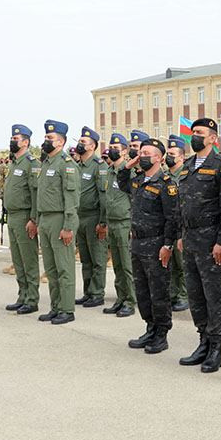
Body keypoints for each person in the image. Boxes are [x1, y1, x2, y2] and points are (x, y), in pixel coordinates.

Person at [176, 117, 221, 373]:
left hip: (212, 242)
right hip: (190, 240)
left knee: (214, 296)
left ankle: (216, 348)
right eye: (193, 132)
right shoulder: (188, 165)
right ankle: (203, 340)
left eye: (200, 132)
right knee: (195, 295)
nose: (195, 136)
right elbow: (182, 204)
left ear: (213, 138)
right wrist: (180, 235)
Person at [119, 138, 180, 354]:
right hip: (137, 242)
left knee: (158, 291)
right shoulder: (137, 180)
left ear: (160, 158)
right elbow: (121, 182)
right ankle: (150, 327)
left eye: (147, 153)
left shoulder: (166, 184)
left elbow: (172, 218)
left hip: (156, 244)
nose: (142, 156)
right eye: (140, 153)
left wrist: (168, 245)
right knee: (142, 291)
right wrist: (128, 164)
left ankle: (161, 334)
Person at [36, 120, 80, 325]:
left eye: (50, 138)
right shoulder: (46, 163)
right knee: (51, 268)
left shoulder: (67, 164)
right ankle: (55, 307)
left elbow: (71, 198)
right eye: (45, 137)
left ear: (60, 142)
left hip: (60, 219)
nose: (46, 141)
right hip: (45, 219)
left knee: (64, 267)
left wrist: (68, 226)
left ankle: (67, 309)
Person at [3, 125, 41, 315]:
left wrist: (34, 219)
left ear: (25, 142)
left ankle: (32, 299)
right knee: (17, 260)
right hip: (12, 216)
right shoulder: (14, 163)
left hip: (25, 216)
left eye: (16, 138)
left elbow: (36, 193)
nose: (12, 141)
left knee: (29, 260)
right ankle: (22, 295)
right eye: (12, 137)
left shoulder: (31, 163)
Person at [100, 133, 136, 318]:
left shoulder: (128, 171)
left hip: (124, 222)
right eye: (111, 148)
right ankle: (120, 298)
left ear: (125, 151)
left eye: (117, 148)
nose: (113, 151)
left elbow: (134, 198)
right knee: (116, 265)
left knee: (126, 264)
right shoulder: (108, 171)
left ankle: (130, 300)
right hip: (112, 222)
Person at [74, 126, 109, 309]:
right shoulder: (76, 166)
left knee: (97, 258)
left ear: (92, 146)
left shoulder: (99, 167)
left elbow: (103, 196)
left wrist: (103, 222)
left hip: (94, 217)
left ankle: (97, 293)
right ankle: (88, 292)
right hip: (79, 217)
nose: (80, 144)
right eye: (79, 141)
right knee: (85, 258)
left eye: (83, 142)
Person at [165, 134, 189, 313]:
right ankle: (173, 294)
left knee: (182, 263)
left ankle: (184, 295)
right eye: (167, 153)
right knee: (171, 262)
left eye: (172, 153)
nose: (168, 156)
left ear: (181, 156)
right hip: (168, 224)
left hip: (183, 225)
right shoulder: (166, 176)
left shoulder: (187, 174)